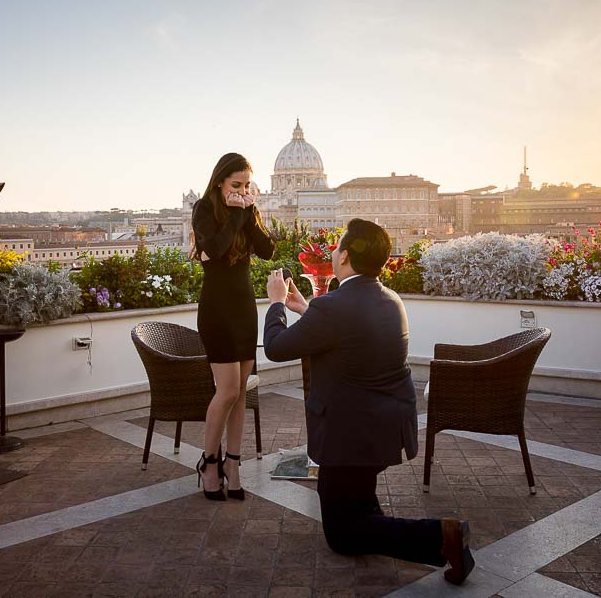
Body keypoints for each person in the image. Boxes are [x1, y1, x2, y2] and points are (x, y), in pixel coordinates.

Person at [263, 219, 474, 585]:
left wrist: (277, 304)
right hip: (385, 427)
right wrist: (307, 310)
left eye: (337, 246)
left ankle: (443, 536)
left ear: (344, 256)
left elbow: (277, 348)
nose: (332, 251)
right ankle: (374, 516)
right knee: (353, 504)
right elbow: (348, 333)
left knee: (343, 536)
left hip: (351, 435)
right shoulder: (388, 298)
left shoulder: (333, 307)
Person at [191, 152, 275, 500]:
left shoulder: (248, 212)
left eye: (246, 186)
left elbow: (267, 250)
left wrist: (249, 215)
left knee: (241, 393)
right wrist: (238, 214)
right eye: (235, 185)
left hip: (244, 307)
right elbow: (216, 248)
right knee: (226, 391)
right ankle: (210, 463)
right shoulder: (204, 209)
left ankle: (233, 464)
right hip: (218, 308)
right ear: (220, 182)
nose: (242, 191)